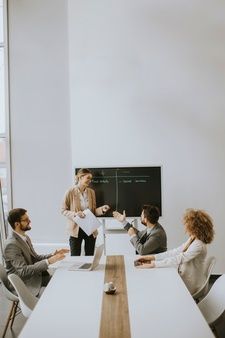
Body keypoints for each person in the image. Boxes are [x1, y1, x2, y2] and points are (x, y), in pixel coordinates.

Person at [134, 208, 215, 295]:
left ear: (195, 227)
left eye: (187, 225)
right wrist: (152, 257)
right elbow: (175, 252)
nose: (186, 227)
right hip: (185, 275)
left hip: (191, 284)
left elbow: (179, 258)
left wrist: (153, 264)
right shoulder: (193, 239)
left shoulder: (198, 245)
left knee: (159, 284)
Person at [4, 208, 69, 296]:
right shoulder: (11, 244)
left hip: (33, 277)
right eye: (26, 220)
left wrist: (53, 255)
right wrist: (49, 261)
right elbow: (23, 271)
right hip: (23, 283)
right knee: (60, 287)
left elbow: (35, 257)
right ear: (17, 224)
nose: (30, 221)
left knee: (62, 280)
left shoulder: (25, 237)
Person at [61, 168, 110, 256]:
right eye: (88, 178)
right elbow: (63, 210)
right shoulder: (70, 192)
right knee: (75, 257)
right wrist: (76, 214)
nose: (90, 181)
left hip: (90, 228)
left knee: (90, 256)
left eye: (91, 179)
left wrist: (102, 209)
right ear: (80, 177)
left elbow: (93, 211)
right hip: (76, 229)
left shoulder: (91, 192)